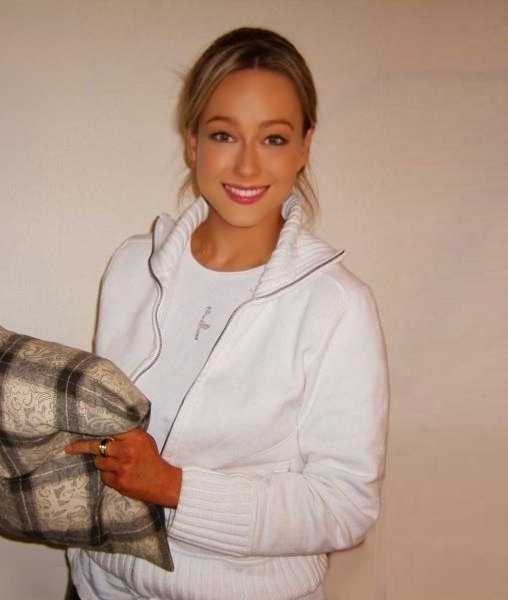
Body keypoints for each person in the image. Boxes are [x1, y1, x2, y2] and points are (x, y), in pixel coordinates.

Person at [64, 27, 388, 600]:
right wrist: (19, 417)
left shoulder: (336, 306)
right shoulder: (134, 265)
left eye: (274, 138)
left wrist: (175, 488)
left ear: (305, 146)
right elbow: (105, 427)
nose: (245, 165)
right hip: (100, 586)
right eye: (223, 135)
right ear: (192, 142)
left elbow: (344, 507)